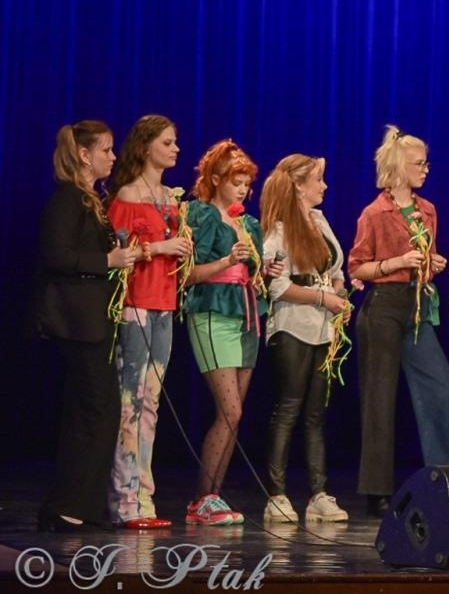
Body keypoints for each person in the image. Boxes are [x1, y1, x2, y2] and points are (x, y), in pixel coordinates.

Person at [349, 126, 449, 516]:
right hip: (383, 305)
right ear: (399, 167)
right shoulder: (374, 213)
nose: (425, 169)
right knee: (380, 399)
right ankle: (376, 491)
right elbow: (358, 266)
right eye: (419, 163)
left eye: (426, 163)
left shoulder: (428, 210)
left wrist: (432, 265)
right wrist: (397, 263)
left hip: (416, 305)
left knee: (443, 391)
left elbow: (427, 256)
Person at [36, 121, 137, 532]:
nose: (113, 158)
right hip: (76, 321)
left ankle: (77, 507)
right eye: (107, 150)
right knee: (97, 410)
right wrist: (107, 262)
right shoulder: (69, 200)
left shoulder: (88, 200)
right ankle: (68, 505)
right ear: (83, 154)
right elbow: (56, 255)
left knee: (90, 412)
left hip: (92, 321)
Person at [185, 139, 278, 526]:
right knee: (230, 410)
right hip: (212, 314)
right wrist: (227, 260)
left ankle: (212, 498)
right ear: (216, 179)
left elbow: (251, 276)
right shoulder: (202, 216)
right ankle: (201, 498)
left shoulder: (249, 224)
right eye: (236, 181)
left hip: (245, 318)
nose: (242, 189)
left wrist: (262, 273)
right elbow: (188, 275)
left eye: (246, 183)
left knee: (234, 417)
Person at [104, 115, 191, 529]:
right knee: (130, 401)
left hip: (164, 304)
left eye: (175, 143)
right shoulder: (128, 194)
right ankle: (124, 498)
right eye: (167, 142)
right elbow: (116, 255)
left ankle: (144, 496)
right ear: (146, 146)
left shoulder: (169, 198)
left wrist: (181, 250)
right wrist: (157, 246)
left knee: (151, 402)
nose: (175, 149)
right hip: (136, 304)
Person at [261, 154, 351, 524]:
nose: (324, 186)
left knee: (316, 413)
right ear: (299, 185)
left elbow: (335, 269)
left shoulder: (319, 220)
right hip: (293, 326)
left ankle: (318, 493)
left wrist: (340, 292)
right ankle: (277, 495)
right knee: (289, 407)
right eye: (318, 179)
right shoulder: (279, 230)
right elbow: (277, 285)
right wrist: (321, 297)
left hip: (322, 327)